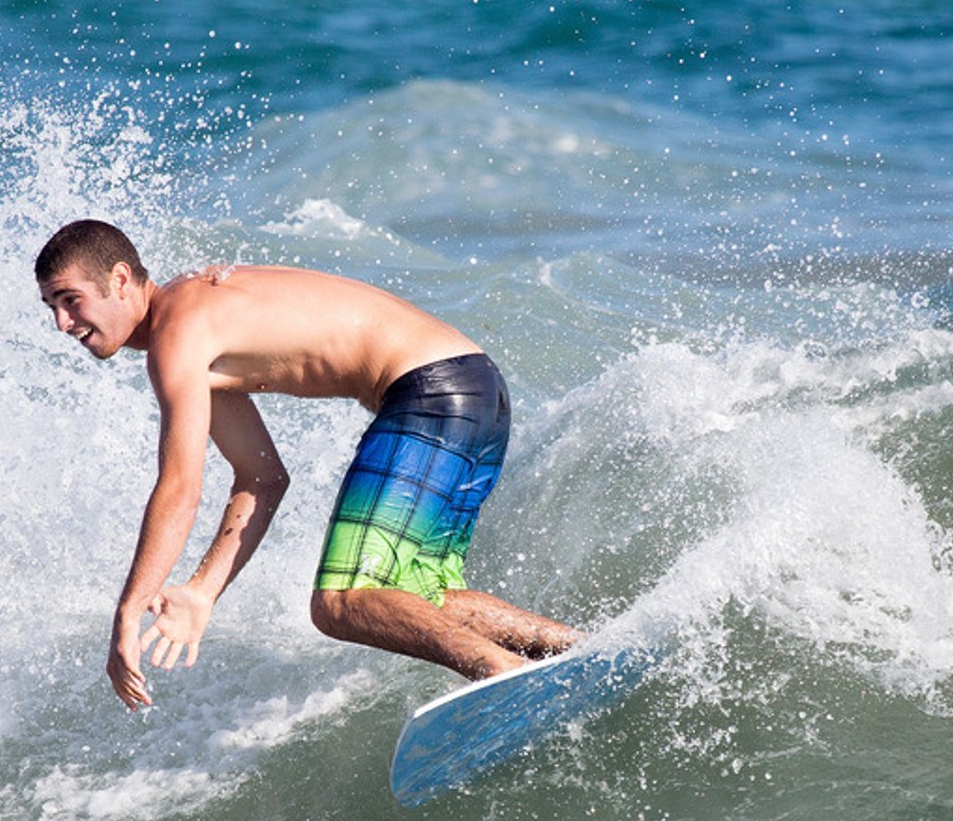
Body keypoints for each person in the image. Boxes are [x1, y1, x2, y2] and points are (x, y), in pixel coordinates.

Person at [36, 219, 581, 710]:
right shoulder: (194, 329)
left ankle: (500, 670)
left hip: (430, 391)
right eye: (51, 308)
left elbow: (180, 486)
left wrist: (128, 613)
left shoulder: (178, 330)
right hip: (475, 388)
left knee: (341, 602)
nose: (62, 323)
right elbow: (262, 477)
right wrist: (202, 592)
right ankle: (576, 650)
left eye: (71, 300)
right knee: (415, 597)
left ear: (122, 279)